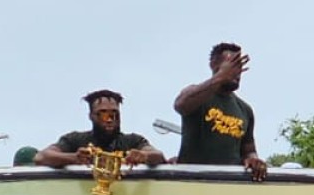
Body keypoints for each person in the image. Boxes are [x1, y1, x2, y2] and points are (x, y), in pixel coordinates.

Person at [173, 42, 266, 179]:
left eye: (239, 66)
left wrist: (253, 159)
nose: (237, 71)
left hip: (228, 184)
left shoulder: (245, 110)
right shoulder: (197, 94)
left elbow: (249, 150)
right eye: (232, 65)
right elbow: (180, 105)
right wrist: (220, 77)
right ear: (214, 65)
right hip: (193, 181)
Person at [32, 90, 166, 169]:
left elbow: (158, 156)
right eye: (103, 114)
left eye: (114, 114)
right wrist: (74, 158)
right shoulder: (75, 139)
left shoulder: (133, 141)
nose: (109, 119)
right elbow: (41, 157)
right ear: (91, 116)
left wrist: (144, 156)